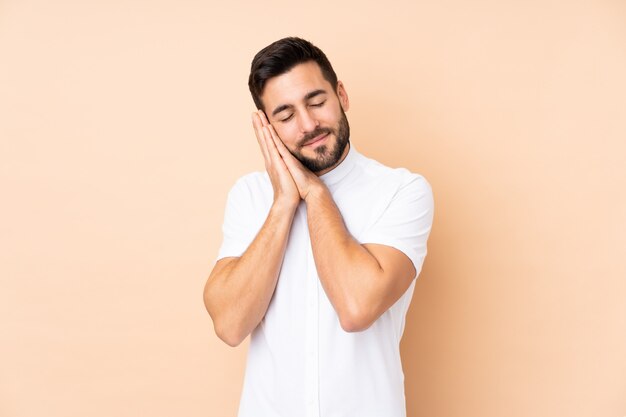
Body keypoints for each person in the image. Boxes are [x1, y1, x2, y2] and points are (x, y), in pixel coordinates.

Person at [203, 36, 434, 417]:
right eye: (286, 115)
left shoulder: (402, 190)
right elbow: (229, 324)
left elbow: (357, 307)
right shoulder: (250, 195)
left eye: (316, 102)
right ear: (267, 125)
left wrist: (315, 193)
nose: (309, 125)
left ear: (341, 95)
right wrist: (283, 203)